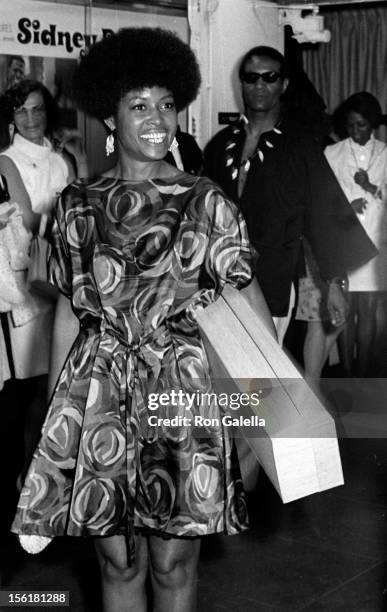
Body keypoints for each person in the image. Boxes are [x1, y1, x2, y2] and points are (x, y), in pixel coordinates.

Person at [11, 28, 275, 612]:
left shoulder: (207, 203)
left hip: (183, 394)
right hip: (98, 392)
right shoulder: (75, 205)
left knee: (172, 561)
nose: (157, 118)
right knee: (116, 560)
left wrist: (261, 421)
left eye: (167, 104)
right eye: (139, 105)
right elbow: (67, 317)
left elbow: (252, 313)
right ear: (111, 116)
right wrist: (60, 417)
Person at [203, 46, 376, 350]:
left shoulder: (300, 147)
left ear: (283, 85)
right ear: (240, 82)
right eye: (251, 77)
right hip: (219, 282)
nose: (259, 85)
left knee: (259, 377)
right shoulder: (219, 146)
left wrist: (335, 286)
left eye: (269, 78)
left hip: (272, 282)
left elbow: (324, 216)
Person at [0, 80, 87, 491]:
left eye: (36, 110)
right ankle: (23, 473)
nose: (30, 119)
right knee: (28, 386)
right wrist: (67, 221)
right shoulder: (7, 161)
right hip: (28, 283)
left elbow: (83, 206)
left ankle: (45, 469)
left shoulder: (63, 158)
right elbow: (30, 219)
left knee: (58, 382)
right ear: (11, 117)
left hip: (65, 277)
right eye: (21, 112)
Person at [324, 92, 387, 376]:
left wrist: (372, 188)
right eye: (350, 126)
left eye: (361, 125)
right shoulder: (332, 153)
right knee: (346, 310)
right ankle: (347, 375)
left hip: (376, 241)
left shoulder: (386, 153)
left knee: (370, 307)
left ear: (372, 123)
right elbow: (322, 198)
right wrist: (345, 206)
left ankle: (364, 372)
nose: (355, 131)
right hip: (344, 239)